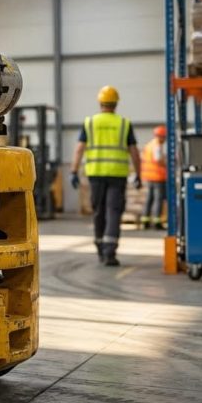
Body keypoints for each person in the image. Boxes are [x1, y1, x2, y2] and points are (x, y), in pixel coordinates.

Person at [69, 85, 142, 267]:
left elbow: (79, 149)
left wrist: (73, 171)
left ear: (100, 102)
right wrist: (138, 174)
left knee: (99, 211)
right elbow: (134, 152)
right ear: (116, 103)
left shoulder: (90, 122)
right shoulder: (124, 123)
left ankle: (100, 247)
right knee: (114, 212)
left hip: (95, 174)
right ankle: (110, 252)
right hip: (117, 175)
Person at [140, 125, 168, 230]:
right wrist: (167, 165)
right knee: (158, 199)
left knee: (149, 198)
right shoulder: (157, 146)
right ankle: (157, 222)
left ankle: (145, 220)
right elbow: (158, 160)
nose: (164, 139)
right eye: (164, 137)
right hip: (157, 177)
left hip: (149, 176)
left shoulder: (149, 145)